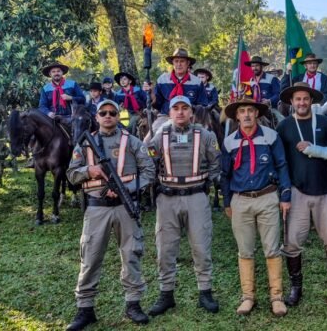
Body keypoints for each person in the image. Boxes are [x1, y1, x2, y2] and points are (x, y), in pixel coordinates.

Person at [65, 99, 156, 330]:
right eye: (103, 113)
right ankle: (85, 309)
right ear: (97, 117)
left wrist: (128, 190)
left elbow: (149, 172)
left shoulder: (133, 142)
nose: (107, 116)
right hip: (96, 209)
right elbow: (71, 175)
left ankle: (133, 304)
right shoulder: (85, 144)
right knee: (90, 258)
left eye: (112, 113)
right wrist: (89, 170)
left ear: (118, 116)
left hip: (126, 207)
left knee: (132, 254)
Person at [276, 83, 327, 308]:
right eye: (297, 99)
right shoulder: (284, 127)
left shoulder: (326, 123)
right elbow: (280, 163)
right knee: (292, 243)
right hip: (297, 192)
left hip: (324, 191)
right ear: (292, 102)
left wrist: (315, 150)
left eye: (305, 99)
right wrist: (284, 193)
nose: (301, 103)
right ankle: (295, 288)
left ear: (311, 100)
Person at [146, 96, 222, 317]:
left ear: (191, 112)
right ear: (170, 113)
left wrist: (216, 186)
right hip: (167, 198)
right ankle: (166, 294)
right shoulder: (160, 135)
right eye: (175, 109)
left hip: (196, 196)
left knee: (201, 246)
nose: (180, 112)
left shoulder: (206, 135)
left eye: (184, 108)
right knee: (165, 248)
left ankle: (205, 292)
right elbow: (148, 158)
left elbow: (216, 163)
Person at [220, 97, 292, 316]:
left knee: (271, 248)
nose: (247, 115)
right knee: (245, 250)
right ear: (237, 116)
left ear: (257, 114)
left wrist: (285, 195)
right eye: (242, 111)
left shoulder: (271, 136)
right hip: (240, 200)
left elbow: (281, 165)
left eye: (250, 110)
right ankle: (248, 296)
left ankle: (277, 296)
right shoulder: (229, 141)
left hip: (267, 197)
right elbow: (225, 174)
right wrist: (226, 201)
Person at [151, 49, 207, 135]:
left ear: (188, 63)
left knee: (206, 136)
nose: (179, 64)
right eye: (176, 61)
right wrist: (151, 93)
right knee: (149, 138)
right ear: (172, 63)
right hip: (166, 117)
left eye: (182, 61)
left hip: (191, 118)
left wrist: (191, 114)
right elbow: (157, 104)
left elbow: (202, 104)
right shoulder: (162, 80)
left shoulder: (197, 82)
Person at [113, 72, 147, 137]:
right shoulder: (118, 94)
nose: (122, 81)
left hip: (138, 113)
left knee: (129, 126)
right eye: (121, 80)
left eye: (124, 79)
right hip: (125, 114)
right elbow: (116, 107)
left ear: (130, 81)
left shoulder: (137, 90)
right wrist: (120, 107)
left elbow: (146, 100)